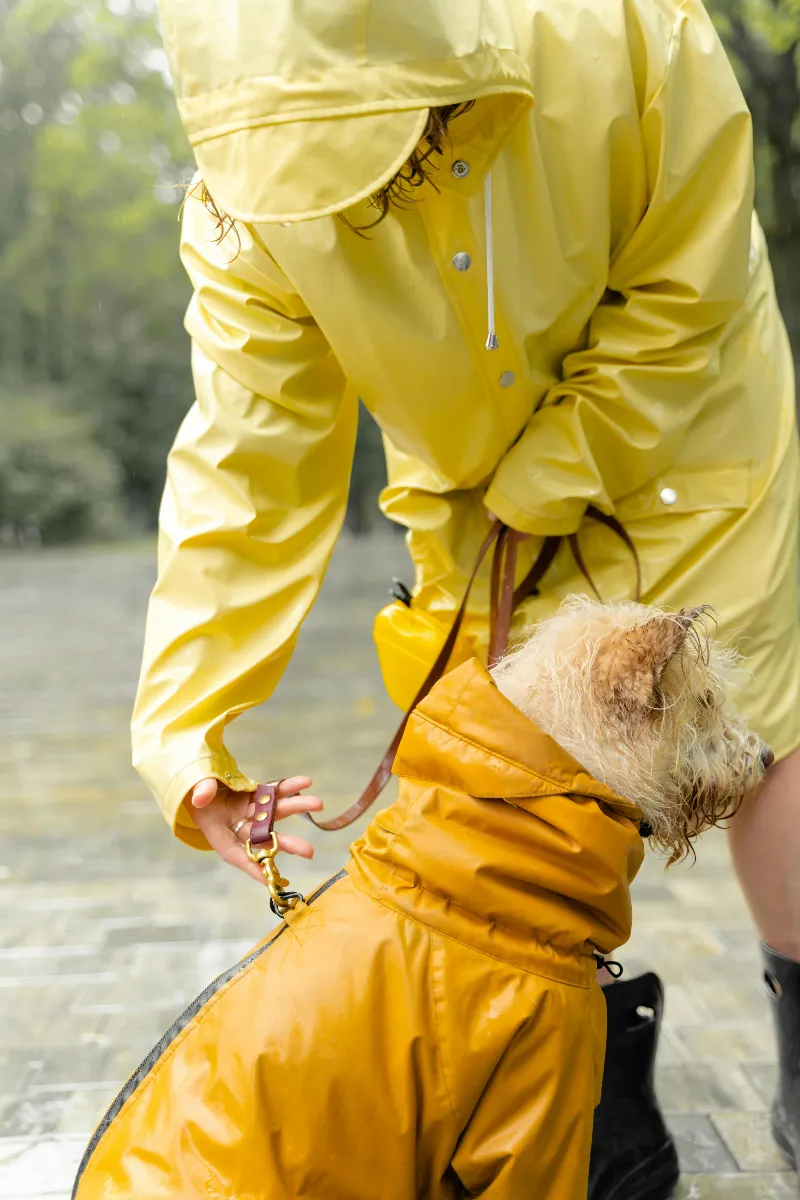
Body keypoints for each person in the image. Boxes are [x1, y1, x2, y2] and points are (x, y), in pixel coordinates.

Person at [133, 1, 800, 1196]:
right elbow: (246, 460)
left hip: (688, 427)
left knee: (755, 731)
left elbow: (686, 279)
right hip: (468, 483)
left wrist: (552, 468)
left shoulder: (631, 29)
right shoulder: (239, 213)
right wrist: (187, 734)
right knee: (503, 781)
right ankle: (569, 1089)